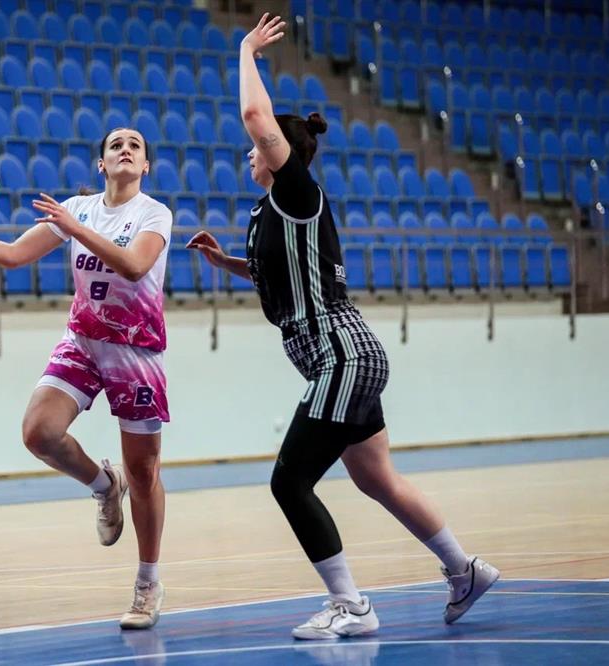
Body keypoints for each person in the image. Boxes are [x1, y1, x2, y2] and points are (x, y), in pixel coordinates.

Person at [188, 14, 499, 639]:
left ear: (278, 150)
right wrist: (228, 264)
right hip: (348, 353)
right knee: (373, 476)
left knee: (289, 481)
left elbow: (254, 115)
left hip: (341, 356)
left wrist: (246, 49)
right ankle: (463, 569)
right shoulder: (269, 214)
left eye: (260, 146)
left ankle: (351, 606)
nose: (250, 151)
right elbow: (283, 276)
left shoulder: (296, 192)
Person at [0, 128, 172, 629]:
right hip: (83, 339)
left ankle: (148, 582)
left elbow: (134, 266)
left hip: (134, 347)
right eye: (115, 145)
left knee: (144, 470)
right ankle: (103, 484)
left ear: (146, 165)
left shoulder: (153, 213)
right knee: (38, 432)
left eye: (135, 145)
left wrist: (75, 227)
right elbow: (14, 255)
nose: (125, 149)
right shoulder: (77, 209)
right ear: (101, 164)